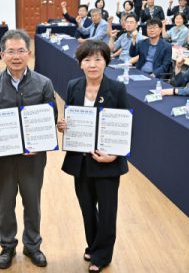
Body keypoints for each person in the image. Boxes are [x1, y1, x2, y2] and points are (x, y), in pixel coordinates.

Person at [0, 29, 57, 269]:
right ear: (2, 55)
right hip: (3, 157)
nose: (16, 56)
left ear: (29, 54)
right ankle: (7, 246)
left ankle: (32, 246)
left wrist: (40, 141)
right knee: (5, 203)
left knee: (32, 203)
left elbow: (50, 116)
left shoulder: (44, 83)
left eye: (21, 51)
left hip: (33, 158)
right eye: (10, 51)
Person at [56, 39, 130, 273]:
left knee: (107, 212)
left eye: (98, 59)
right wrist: (63, 125)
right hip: (81, 160)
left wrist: (114, 155)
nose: (93, 64)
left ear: (106, 62)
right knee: (87, 208)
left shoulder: (117, 89)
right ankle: (93, 244)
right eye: (87, 59)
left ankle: (102, 255)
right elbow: (71, 116)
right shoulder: (73, 85)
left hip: (107, 161)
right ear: (80, 64)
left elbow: (124, 127)